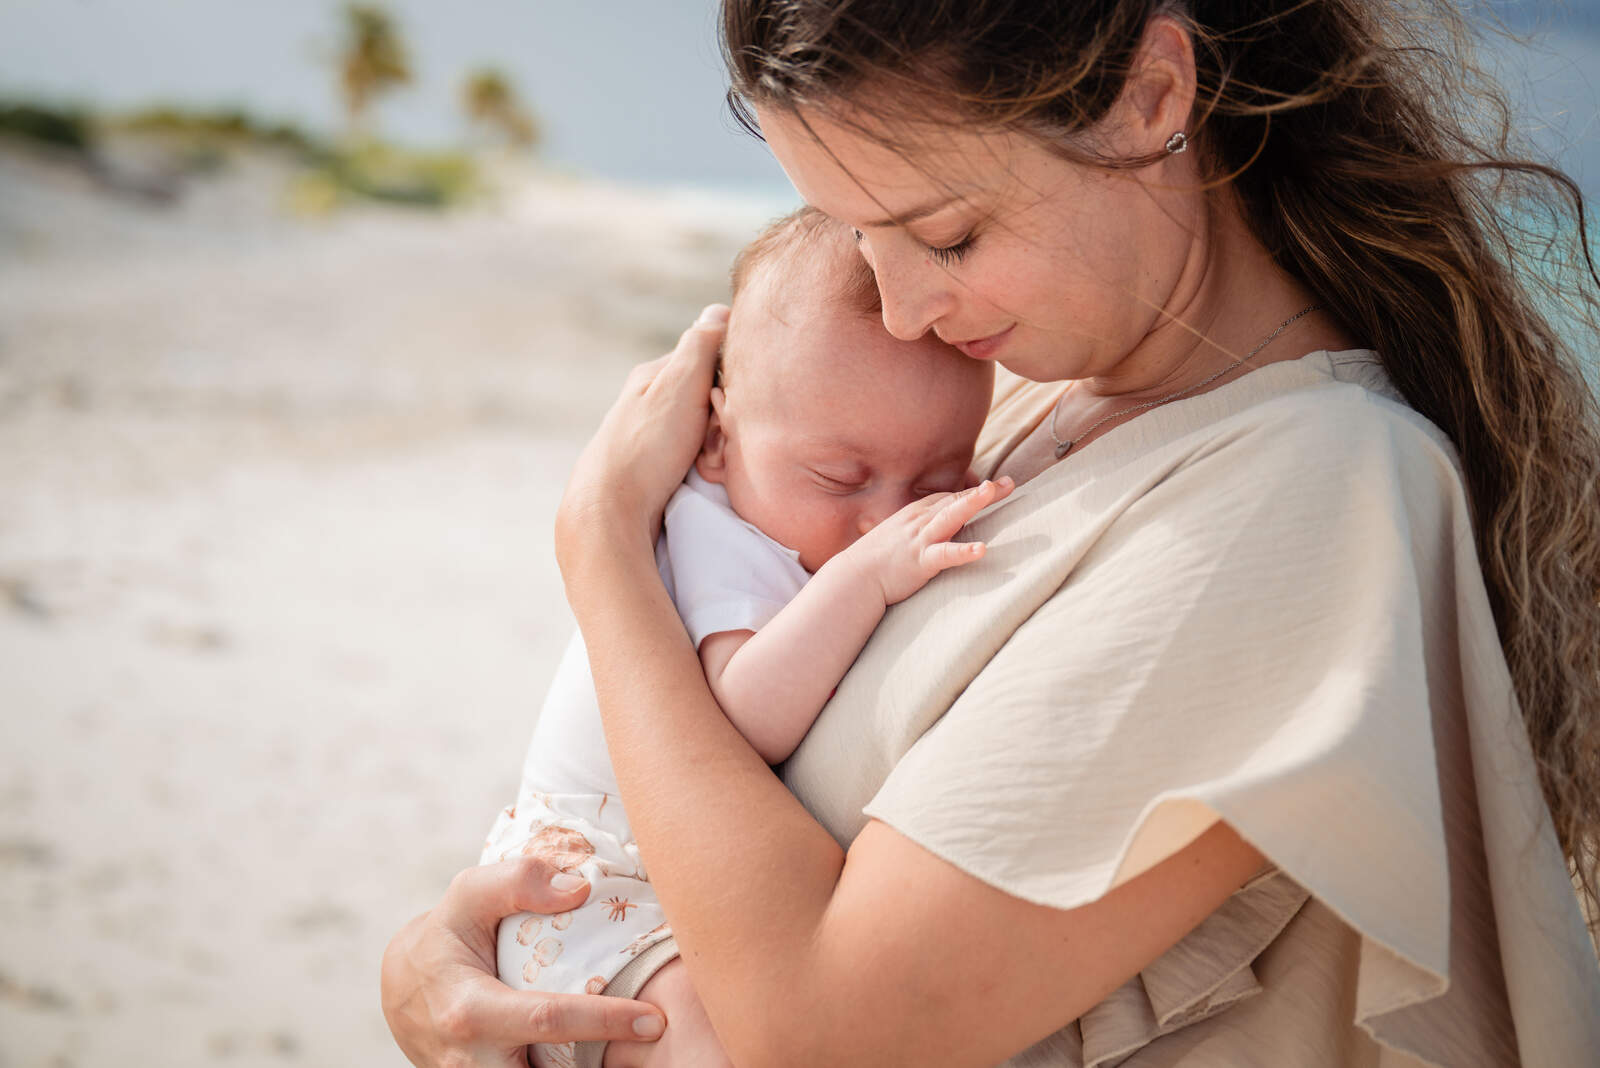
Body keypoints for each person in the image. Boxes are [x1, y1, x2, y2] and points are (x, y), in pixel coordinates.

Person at [382, 0, 1600, 1064]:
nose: (901, 311)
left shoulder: (1311, 494)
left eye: (946, 236)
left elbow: (817, 1033)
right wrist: (447, 962)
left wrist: (601, 548)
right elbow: (676, 795)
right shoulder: (1014, 399)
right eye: (857, 236)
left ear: (1150, 100)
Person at [481, 206, 999, 1068]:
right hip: (592, 893)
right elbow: (743, 717)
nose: (888, 515)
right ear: (718, 441)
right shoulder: (714, 532)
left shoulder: (786, 509)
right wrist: (864, 578)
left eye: (941, 473)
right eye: (842, 477)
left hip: (665, 889)